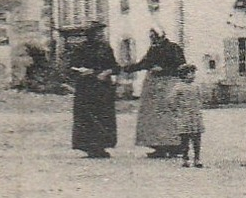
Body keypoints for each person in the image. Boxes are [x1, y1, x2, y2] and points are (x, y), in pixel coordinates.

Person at [122, 30, 186, 158]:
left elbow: (182, 67)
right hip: (153, 87)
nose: (152, 40)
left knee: (168, 116)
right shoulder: (153, 49)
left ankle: (174, 147)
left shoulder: (174, 48)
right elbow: (144, 63)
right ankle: (158, 147)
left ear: (161, 36)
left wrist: (164, 70)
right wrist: (127, 68)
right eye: (151, 37)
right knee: (153, 117)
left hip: (169, 84)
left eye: (154, 37)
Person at [68, 24, 118, 160]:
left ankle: (101, 146)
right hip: (86, 87)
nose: (100, 36)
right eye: (97, 33)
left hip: (103, 87)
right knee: (86, 117)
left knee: (103, 115)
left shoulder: (106, 48)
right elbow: (71, 67)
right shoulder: (80, 49)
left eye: (101, 33)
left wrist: (107, 72)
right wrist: (81, 71)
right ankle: (89, 147)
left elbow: (115, 66)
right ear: (90, 35)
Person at [171, 63, 204, 168]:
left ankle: (197, 158)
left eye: (194, 73)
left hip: (195, 116)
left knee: (197, 138)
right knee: (184, 139)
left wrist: (198, 107)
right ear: (184, 74)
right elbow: (171, 101)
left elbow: (200, 98)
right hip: (184, 116)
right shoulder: (178, 87)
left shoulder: (196, 86)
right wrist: (176, 111)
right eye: (191, 73)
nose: (193, 75)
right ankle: (185, 158)